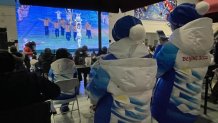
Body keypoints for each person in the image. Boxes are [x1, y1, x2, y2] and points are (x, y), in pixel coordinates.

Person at [151, 3, 214, 123]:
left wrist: (160, 47)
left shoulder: (171, 47)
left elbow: (155, 71)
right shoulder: (205, 47)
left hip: (168, 104)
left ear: (177, 24)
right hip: (192, 104)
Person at [86, 16, 157, 123]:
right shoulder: (151, 60)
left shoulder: (105, 63)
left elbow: (94, 94)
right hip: (143, 116)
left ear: (116, 34)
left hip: (111, 115)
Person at [49, 48, 76, 112]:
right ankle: (65, 106)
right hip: (72, 94)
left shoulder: (53, 65)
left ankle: (52, 109)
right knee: (69, 85)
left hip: (57, 95)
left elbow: (50, 79)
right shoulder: (72, 63)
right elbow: (75, 76)